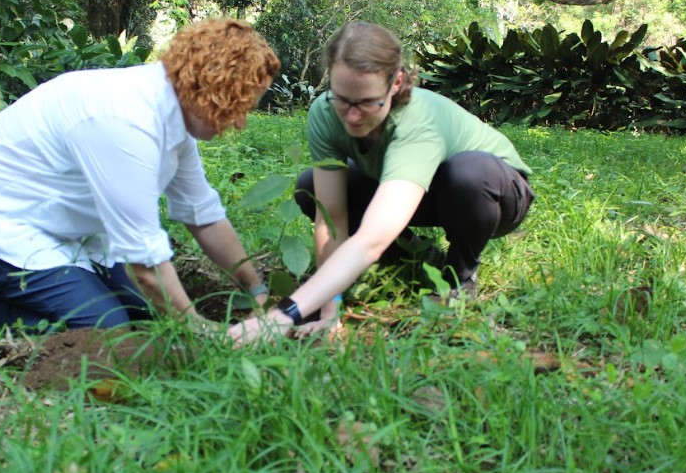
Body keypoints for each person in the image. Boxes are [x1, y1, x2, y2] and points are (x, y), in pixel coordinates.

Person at [0, 17, 280, 334]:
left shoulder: (174, 115)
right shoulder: (124, 121)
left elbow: (203, 215)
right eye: (238, 105)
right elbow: (146, 264)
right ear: (209, 89)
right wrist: (203, 332)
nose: (238, 122)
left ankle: (24, 288)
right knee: (103, 326)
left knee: (141, 307)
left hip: (56, 224)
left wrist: (257, 290)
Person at [228, 21, 534, 344]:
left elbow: (370, 238)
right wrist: (330, 311)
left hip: (495, 193)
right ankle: (415, 252)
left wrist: (283, 315)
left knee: (468, 175)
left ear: (396, 83)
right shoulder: (324, 113)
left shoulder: (417, 121)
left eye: (367, 102)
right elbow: (331, 217)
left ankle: (460, 277)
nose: (353, 116)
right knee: (311, 187)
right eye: (342, 99)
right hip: (419, 193)